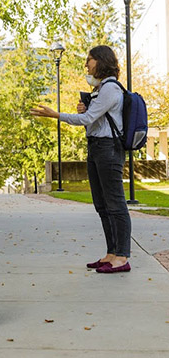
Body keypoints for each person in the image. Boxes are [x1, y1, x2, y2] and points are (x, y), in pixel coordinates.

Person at [30, 45, 132, 273]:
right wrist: (87, 107)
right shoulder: (101, 89)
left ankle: (122, 257)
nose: (86, 64)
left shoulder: (110, 88)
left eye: (90, 60)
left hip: (108, 149)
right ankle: (111, 253)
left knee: (115, 204)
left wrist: (56, 115)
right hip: (96, 147)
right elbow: (94, 117)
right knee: (102, 204)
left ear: (101, 61)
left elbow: (86, 119)